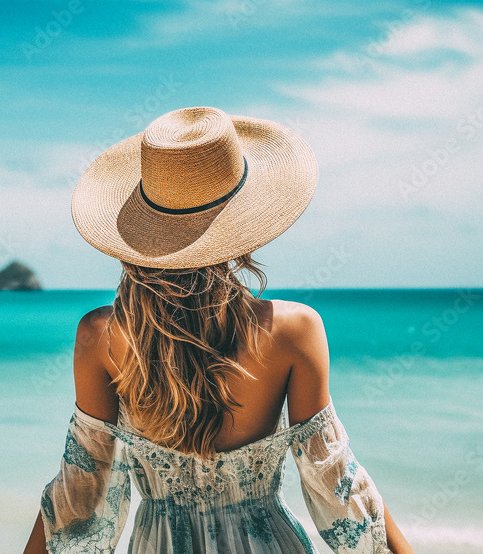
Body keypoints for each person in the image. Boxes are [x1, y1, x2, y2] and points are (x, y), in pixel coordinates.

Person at [24, 106, 413, 553]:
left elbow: (80, 493)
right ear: (242, 226)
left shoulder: (101, 335)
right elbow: (336, 481)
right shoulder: (294, 329)